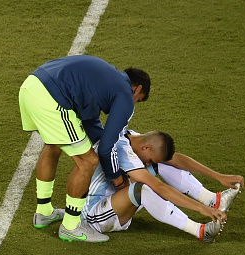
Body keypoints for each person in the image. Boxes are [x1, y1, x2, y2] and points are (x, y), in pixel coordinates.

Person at [19, 54, 151, 242]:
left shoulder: (106, 78)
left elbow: (90, 121)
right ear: (137, 88)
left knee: (53, 145)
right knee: (88, 162)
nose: (134, 103)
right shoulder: (124, 93)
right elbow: (106, 147)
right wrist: (118, 180)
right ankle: (71, 226)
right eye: (139, 99)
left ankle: (44, 212)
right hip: (52, 98)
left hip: (30, 86)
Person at [81, 129, 243, 242]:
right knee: (141, 189)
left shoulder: (134, 138)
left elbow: (176, 159)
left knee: (162, 165)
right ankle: (199, 231)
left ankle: (213, 200)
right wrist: (201, 209)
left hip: (116, 199)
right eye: (149, 159)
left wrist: (218, 176)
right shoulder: (123, 151)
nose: (148, 163)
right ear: (146, 147)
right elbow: (160, 188)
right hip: (94, 216)